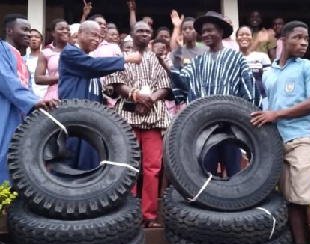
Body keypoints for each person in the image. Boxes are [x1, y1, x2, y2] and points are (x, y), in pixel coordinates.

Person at [251, 21, 310, 244]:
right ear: (283, 40)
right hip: (278, 142)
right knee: (291, 201)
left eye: (306, 38)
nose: (304, 42)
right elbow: (267, 107)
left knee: (308, 198)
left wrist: (277, 114)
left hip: (303, 138)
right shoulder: (269, 73)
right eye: (298, 38)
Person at [170, 11, 258, 178]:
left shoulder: (236, 58)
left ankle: (235, 203)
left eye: (210, 30)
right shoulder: (198, 62)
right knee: (205, 175)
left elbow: (248, 91)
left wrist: (247, 122)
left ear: (221, 32)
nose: (205, 34)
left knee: (234, 175)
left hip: (231, 128)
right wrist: (167, 65)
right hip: (205, 129)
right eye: (203, 32)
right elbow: (182, 83)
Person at [103, 21, 171, 228]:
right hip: (127, 118)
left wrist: (149, 100)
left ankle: (149, 216)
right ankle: (129, 212)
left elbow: (165, 87)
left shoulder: (157, 59)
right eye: (139, 31)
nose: (143, 34)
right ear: (131, 35)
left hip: (154, 119)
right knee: (128, 166)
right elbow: (115, 84)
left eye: (147, 31)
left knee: (153, 168)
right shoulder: (121, 58)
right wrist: (136, 96)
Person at [0, 14, 57, 186]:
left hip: (17, 113)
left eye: (30, 30)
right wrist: (31, 101)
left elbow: (26, 87)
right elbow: (4, 79)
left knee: (14, 154)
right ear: (10, 30)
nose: (29, 34)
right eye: (25, 30)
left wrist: (39, 101)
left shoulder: (20, 58)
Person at [58, 20, 142, 170]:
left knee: (89, 166)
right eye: (94, 35)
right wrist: (126, 59)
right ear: (80, 34)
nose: (97, 40)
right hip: (73, 117)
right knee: (69, 165)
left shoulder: (89, 61)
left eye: (99, 38)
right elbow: (93, 65)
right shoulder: (70, 52)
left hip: (90, 121)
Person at [236, 26, 272, 109]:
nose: (244, 37)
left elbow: (268, 80)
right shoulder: (232, 58)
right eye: (241, 35)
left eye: (247, 34)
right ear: (236, 39)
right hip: (238, 101)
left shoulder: (262, 57)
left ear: (252, 39)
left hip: (262, 99)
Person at [35, 19, 69, 101]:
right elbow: (38, 78)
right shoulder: (46, 53)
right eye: (61, 29)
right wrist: (61, 78)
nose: (65, 31)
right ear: (53, 33)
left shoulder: (77, 51)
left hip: (73, 94)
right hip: (54, 96)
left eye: (68, 29)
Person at [25, 29, 48, 98]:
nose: (33, 39)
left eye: (36, 37)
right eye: (31, 37)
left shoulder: (48, 58)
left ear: (41, 41)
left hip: (47, 97)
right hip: (30, 98)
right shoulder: (23, 59)